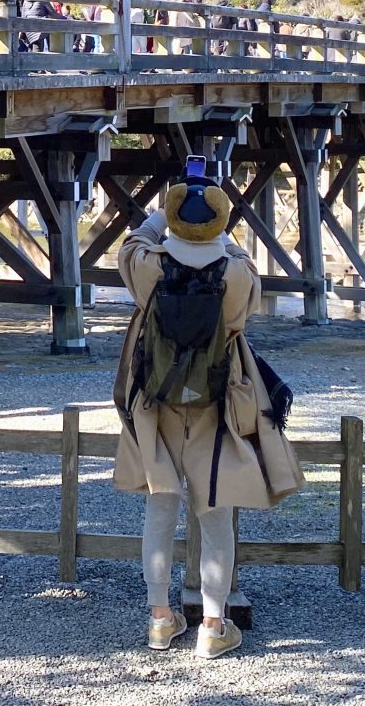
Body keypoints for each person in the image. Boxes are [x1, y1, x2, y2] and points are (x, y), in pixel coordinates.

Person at [114, 159, 300, 660]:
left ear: (174, 219)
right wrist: (222, 229)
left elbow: (129, 244)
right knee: (215, 513)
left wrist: (162, 214)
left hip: (156, 401)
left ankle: (159, 621)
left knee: (160, 508)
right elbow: (246, 300)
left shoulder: (148, 265)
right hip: (218, 399)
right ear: (220, 222)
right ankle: (212, 628)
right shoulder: (236, 271)